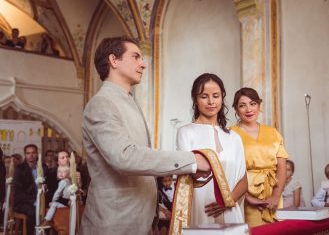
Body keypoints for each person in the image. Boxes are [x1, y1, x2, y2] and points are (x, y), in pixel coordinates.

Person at [80, 36, 210, 235]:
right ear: (114, 60)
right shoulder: (102, 104)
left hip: (141, 218)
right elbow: (125, 156)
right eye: (136, 57)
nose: (143, 64)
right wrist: (191, 161)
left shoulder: (128, 101)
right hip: (116, 223)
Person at [176, 73, 247, 225]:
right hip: (201, 209)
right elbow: (186, 174)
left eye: (216, 96)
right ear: (195, 99)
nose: (211, 102)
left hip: (230, 210)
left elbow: (243, 180)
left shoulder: (234, 137)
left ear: (222, 98)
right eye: (204, 96)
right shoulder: (186, 132)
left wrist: (227, 201)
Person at [230, 87, 288, 227]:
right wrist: (247, 198)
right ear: (236, 110)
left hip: (273, 194)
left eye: (253, 103)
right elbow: (229, 172)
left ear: (259, 106)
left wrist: (275, 196)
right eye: (242, 105)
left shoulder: (273, 132)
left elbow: (282, 167)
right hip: (246, 195)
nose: (248, 109)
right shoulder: (230, 134)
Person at [13, 144, 47, 234]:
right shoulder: (19, 169)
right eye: (28, 153)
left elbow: (49, 184)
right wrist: (33, 201)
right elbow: (18, 190)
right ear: (25, 155)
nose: (31, 155)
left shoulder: (43, 167)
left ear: (37, 153)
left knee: (52, 211)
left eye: (33, 153)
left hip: (42, 199)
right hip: (23, 202)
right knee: (34, 212)